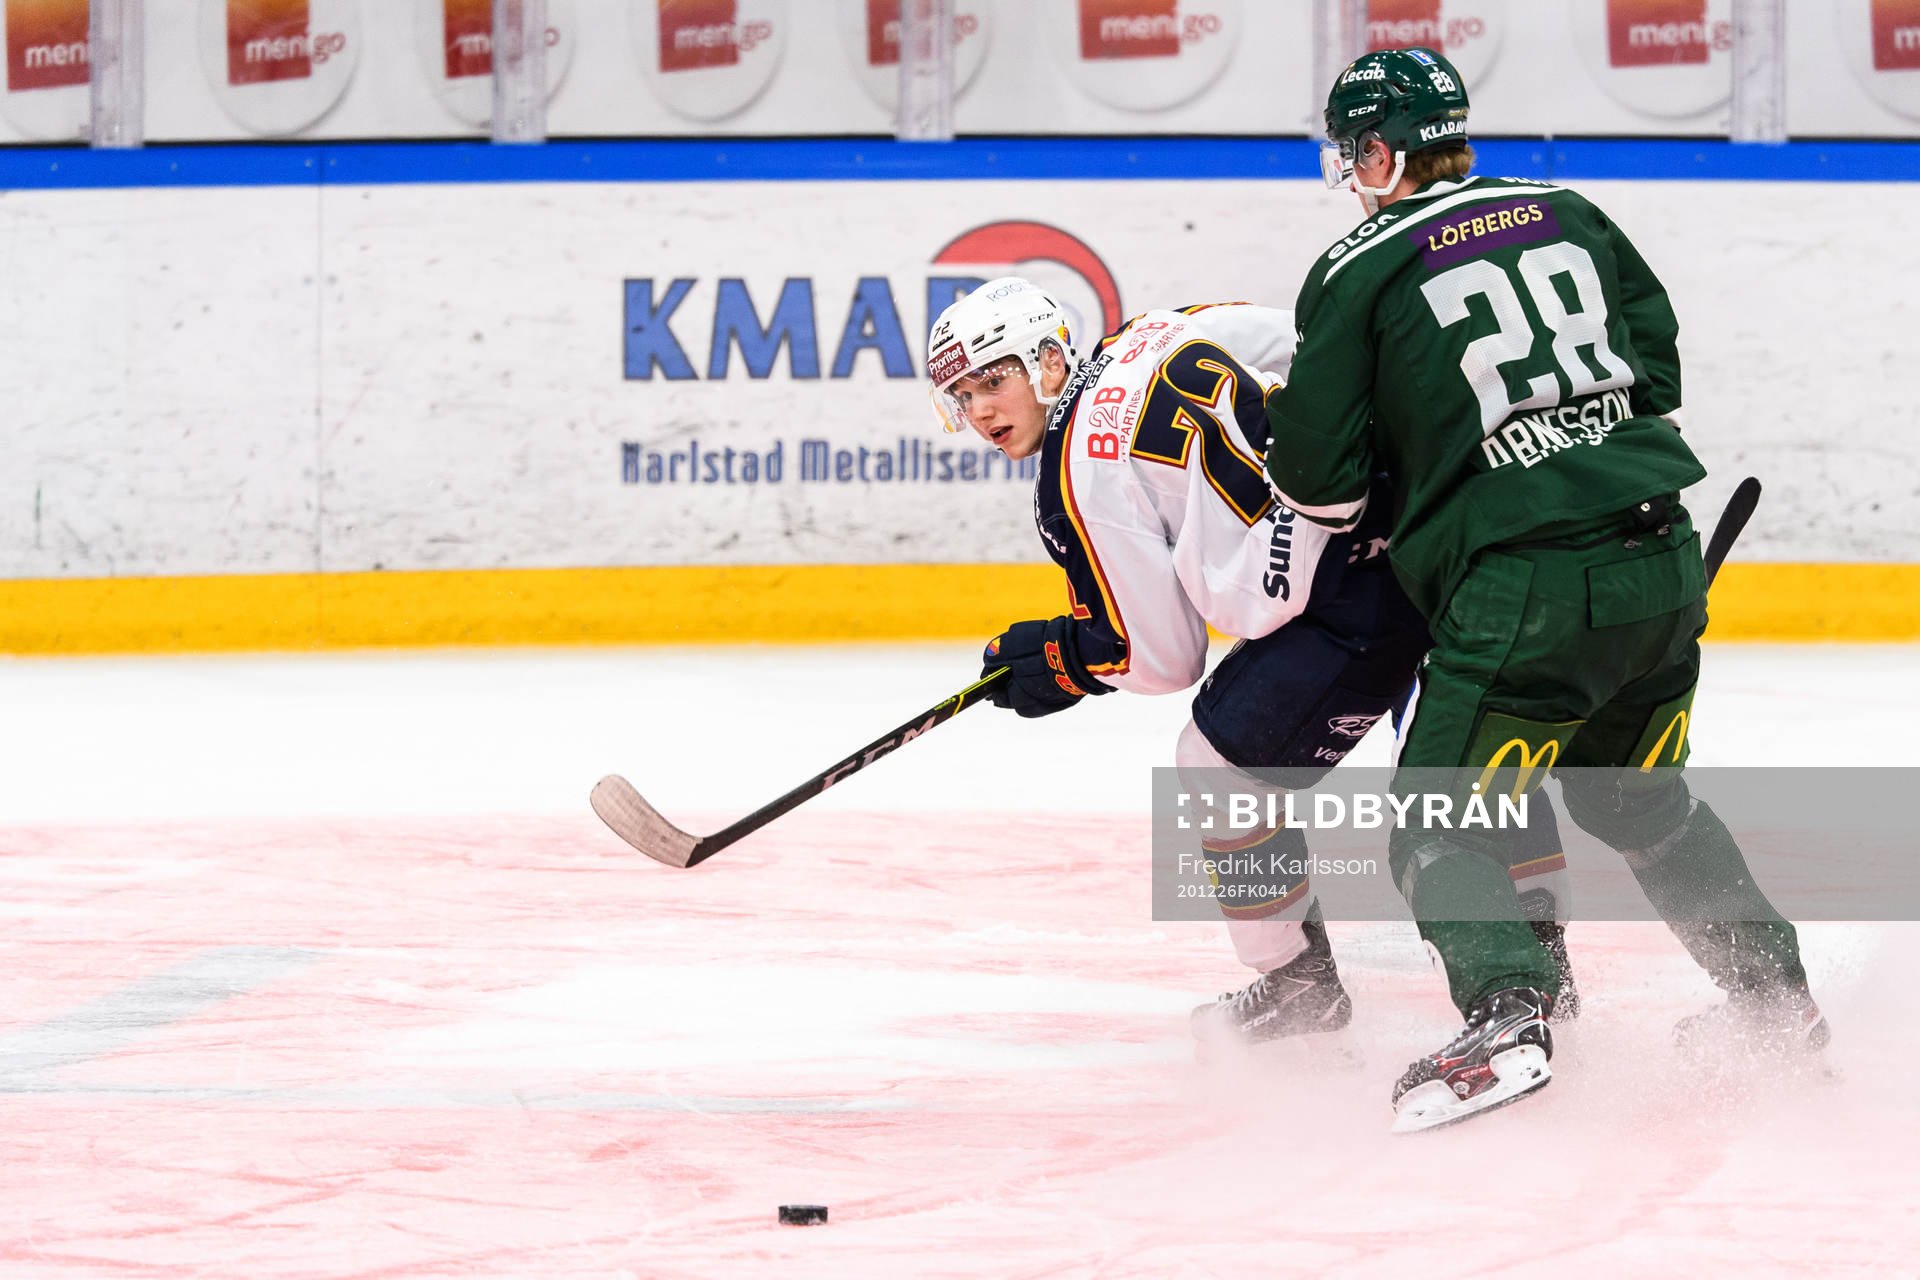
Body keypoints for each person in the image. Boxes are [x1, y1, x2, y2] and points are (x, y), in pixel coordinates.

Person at [1265, 47, 1824, 1131]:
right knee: (1640, 799)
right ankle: (1776, 1003)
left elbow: (1320, 485)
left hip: (1525, 587)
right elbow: (1656, 377)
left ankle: (1507, 1017)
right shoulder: (1568, 210)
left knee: (1437, 826)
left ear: (1377, 154)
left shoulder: (1355, 267)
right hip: (1660, 557)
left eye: (1350, 155)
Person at [926, 276, 1575, 1048]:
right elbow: (1320, 343)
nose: (981, 412)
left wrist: (1065, 659)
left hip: (1348, 594)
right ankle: (1543, 951)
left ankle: (1300, 985)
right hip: (1434, 515)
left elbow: (1162, 657)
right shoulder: (1159, 329)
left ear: (1048, 360)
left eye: (993, 381)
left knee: (1217, 769)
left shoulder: (1075, 475)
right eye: (963, 397)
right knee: (1462, 749)